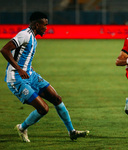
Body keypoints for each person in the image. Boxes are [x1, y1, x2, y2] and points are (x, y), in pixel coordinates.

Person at [0, 11, 89, 142]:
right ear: (37, 25)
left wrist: (29, 69)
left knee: (57, 99)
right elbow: (4, 50)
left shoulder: (33, 38)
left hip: (30, 75)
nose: (46, 28)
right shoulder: (24, 35)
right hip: (17, 79)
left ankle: (72, 132)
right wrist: (19, 69)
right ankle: (22, 127)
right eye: (44, 25)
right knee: (43, 109)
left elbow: (24, 57)